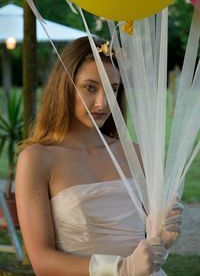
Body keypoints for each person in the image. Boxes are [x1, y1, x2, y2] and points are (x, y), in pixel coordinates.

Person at [16, 36, 183, 276]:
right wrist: (121, 269)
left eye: (113, 89)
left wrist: (161, 241)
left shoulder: (136, 153)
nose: (103, 103)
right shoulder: (37, 159)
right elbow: (42, 262)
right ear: (64, 86)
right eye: (90, 87)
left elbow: (144, 246)